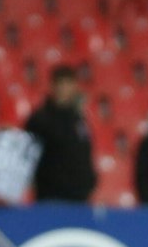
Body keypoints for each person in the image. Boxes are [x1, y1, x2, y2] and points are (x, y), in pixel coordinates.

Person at [23, 65, 95, 202]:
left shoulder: (79, 119)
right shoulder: (39, 120)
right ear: (52, 86)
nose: (64, 88)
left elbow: (85, 151)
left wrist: (90, 180)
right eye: (60, 84)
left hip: (79, 196)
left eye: (68, 84)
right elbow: (27, 154)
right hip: (51, 195)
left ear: (75, 86)